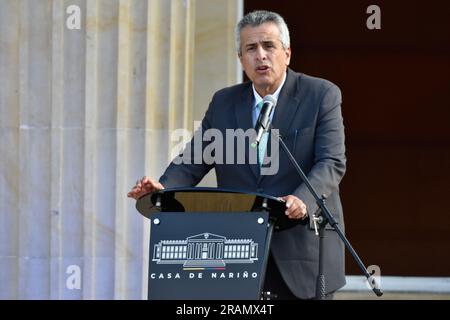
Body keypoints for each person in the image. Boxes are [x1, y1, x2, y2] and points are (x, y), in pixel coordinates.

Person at [128, 10, 346, 300]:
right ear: (241, 59)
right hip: (239, 253)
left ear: (287, 53)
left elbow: (331, 162)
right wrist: (163, 189)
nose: (261, 56)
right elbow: (192, 161)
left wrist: (302, 199)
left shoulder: (321, 95)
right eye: (251, 49)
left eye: (269, 46)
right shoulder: (224, 102)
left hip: (303, 254)